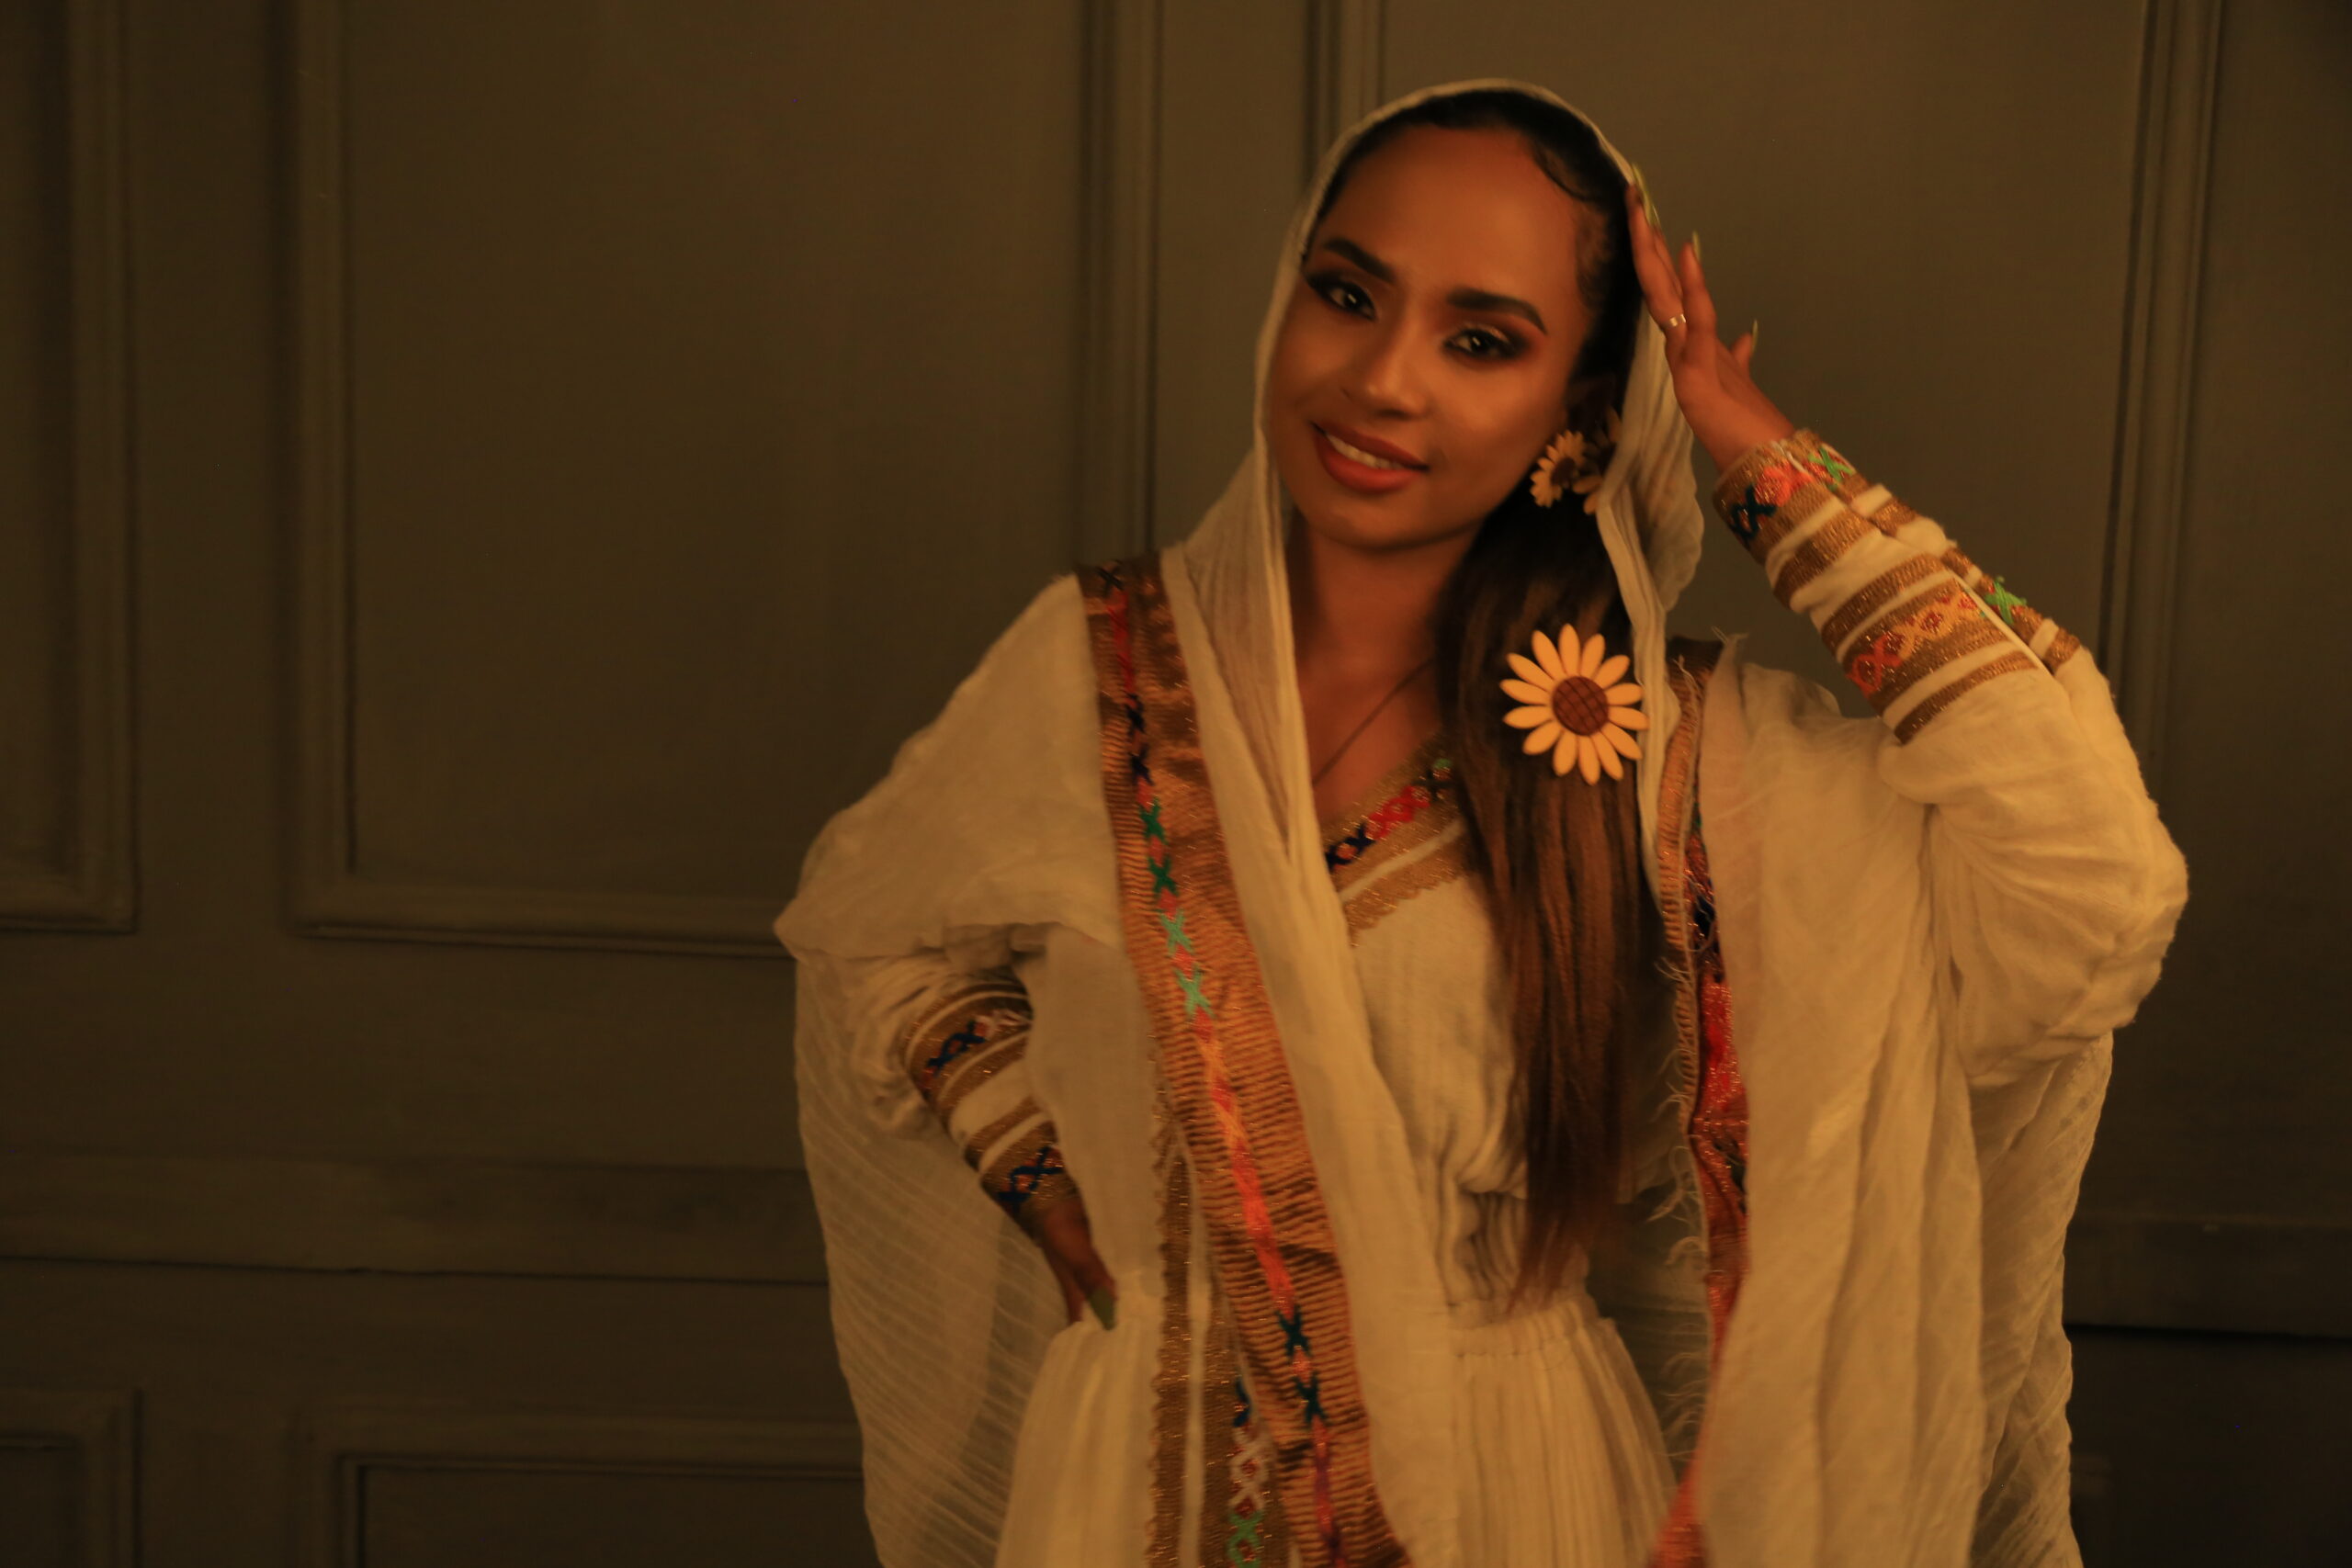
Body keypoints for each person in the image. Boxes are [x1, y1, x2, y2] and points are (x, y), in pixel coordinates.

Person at [773, 78, 2188, 1568]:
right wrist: (1044, 1175)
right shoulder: (1100, 673)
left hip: (1496, 1491)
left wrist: (1754, 450)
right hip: (1123, 1483)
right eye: (1347, 295)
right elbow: (874, 929)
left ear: (1581, 410)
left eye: (1482, 340)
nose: (1383, 380)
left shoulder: (1659, 749)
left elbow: (2090, 887)